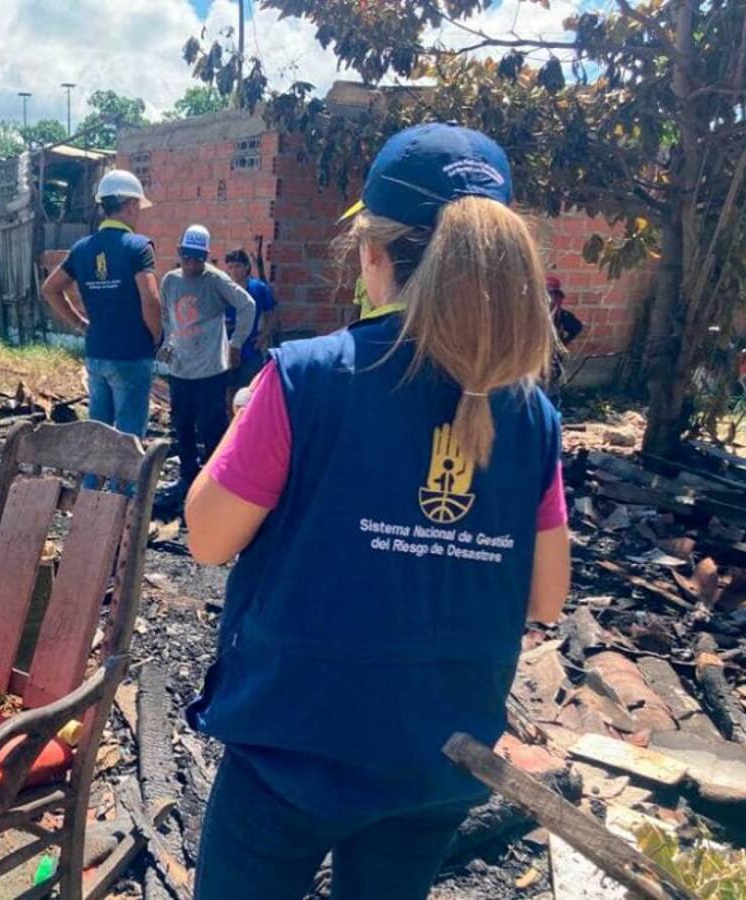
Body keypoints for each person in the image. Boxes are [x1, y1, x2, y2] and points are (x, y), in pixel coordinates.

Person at [182, 124, 571, 899]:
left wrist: (242, 425)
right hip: (441, 756)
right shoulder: (532, 415)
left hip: (293, 749)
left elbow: (205, 536)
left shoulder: (307, 379)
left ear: (373, 253)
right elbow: (548, 597)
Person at [41, 170, 162, 439]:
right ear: (130, 205)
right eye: (138, 207)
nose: (139, 212)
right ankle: (129, 483)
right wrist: (156, 337)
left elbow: (50, 289)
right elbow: (151, 301)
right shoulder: (138, 246)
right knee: (129, 438)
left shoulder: (82, 248)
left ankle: (92, 482)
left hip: (96, 351)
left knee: (97, 433)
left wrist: (81, 325)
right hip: (131, 353)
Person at [160, 225, 256, 498]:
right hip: (181, 369)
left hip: (210, 370)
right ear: (180, 253)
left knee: (211, 426)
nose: (191, 264)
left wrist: (235, 344)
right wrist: (168, 344)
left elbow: (247, 305)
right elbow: (169, 318)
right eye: (187, 257)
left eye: (197, 259)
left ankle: (215, 481)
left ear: (205, 257)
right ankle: (188, 476)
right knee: (182, 424)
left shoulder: (215, 281)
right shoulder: (170, 281)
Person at [223, 248, 279, 389]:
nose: (234, 271)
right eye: (230, 267)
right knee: (225, 389)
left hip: (250, 349)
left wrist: (263, 337)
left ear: (247, 266)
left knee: (248, 391)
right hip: (225, 349)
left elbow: (272, 315)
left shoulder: (258, 288)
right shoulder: (223, 288)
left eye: (238, 266)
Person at [546, 275, 583, 406]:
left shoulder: (563, 316)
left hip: (553, 361)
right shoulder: (533, 317)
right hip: (534, 362)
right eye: (549, 294)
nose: (552, 299)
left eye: (555, 295)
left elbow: (577, 327)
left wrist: (563, 343)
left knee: (551, 391)